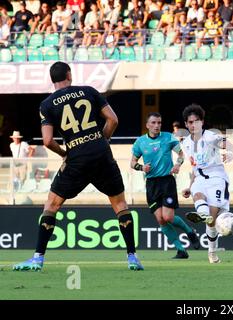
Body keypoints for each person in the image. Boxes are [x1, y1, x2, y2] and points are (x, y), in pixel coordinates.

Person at [13, 61, 143, 271]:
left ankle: (38, 258)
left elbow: (47, 141)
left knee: (51, 206)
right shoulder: (89, 91)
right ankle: (132, 257)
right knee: (120, 205)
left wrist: (65, 153)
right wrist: (103, 140)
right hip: (101, 154)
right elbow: (113, 120)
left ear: (52, 79)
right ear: (69, 75)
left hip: (76, 158)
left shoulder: (46, 104)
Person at [130, 112, 200, 259]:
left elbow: (181, 154)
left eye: (159, 123)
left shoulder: (168, 137)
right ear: (147, 125)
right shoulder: (140, 142)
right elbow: (132, 163)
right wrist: (141, 168)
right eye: (154, 123)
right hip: (151, 184)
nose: (157, 126)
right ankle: (181, 250)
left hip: (167, 181)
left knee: (167, 217)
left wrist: (177, 165)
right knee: (160, 219)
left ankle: (189, 231)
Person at [180, 104, 233, 264]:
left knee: (212, 220)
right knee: (197, 194)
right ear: (186, 124)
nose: (193, 125)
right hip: (200, 178)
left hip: (217, 178)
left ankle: (212, 252)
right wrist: (190, 186)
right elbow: (194, 167)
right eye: (190, 122)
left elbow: (227, 143)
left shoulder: (210, 136)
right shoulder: (186, 143)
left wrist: (229, 152)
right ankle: (202, 213)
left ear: (202, 122)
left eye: (196, 121)